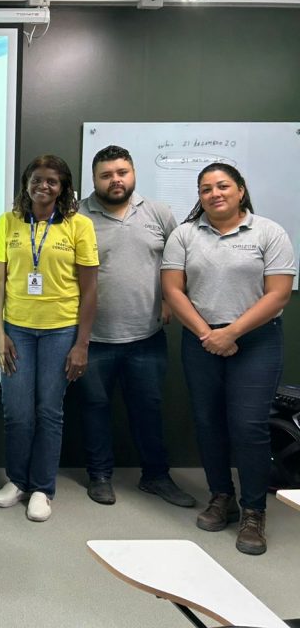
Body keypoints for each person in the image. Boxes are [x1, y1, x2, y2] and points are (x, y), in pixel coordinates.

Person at [161, 162, 294, 555]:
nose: (214, 194)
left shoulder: (269, 232)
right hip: (201, 339)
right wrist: (209, 334)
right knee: (208, 423)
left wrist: (232, 333)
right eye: (206, 189)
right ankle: (222, 497)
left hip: (256, 341)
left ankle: (253, 511)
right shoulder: (185, 235)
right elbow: (173, 290)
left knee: (249, 426)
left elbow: (278, 294)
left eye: (222, 186)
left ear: (240, 190)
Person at [78, 146, 194, 507]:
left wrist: (169, 299)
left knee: (149, 409)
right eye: (106, 175)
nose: (115, 180)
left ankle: (156, 477)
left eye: (122, 172)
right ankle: (99, 476)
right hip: (92, 338)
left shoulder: (159, 213)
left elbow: (180, 261)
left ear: (132, 174)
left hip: (146, 336)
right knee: (95, 407)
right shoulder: (76, 215)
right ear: (94, 179)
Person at [0, 154, 98, 522]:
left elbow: (90, 290)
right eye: (37, 179)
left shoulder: (79, 226)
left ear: (63, 187)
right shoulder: (8, 222)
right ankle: (17, 481)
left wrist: (81, 344)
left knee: (49, 411)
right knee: (17, 412)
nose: (43, 186)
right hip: (16, 329)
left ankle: (41, 489)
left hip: (61, 330)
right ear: (26, 183)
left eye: (52, 181)